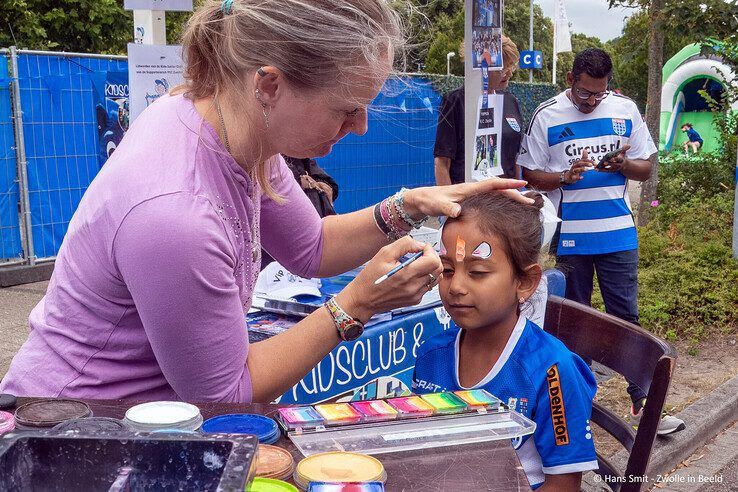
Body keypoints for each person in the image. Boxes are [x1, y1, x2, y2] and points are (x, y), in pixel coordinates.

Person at [0, 0, 529, 404]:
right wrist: (356, 305)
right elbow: (224, 393)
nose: (360, 127)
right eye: (347, 109)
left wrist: (410, 205)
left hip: (132, 419)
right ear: (270, 85)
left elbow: (311, 246)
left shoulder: (235, 125)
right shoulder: (175, 213)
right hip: (75, 428)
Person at [518, 48, 685, 435]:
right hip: (571, 236)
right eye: (584, 94)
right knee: (574, 322)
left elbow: (645, 168)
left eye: (599, 93)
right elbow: (529, 173)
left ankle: (645, 408)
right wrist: (563, 177)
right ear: (571, 81)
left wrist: (622, 165)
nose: (591, 101)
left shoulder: (625, 110)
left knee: (627, 319)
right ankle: (577, 412)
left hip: (618, 235)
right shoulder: (547, 115)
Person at [412, 191, 598, 491]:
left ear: (524, 282)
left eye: (477, 272)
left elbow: (563, 484)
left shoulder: (553, 371)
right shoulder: (431, 355)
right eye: (448, 270)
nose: (456, 286)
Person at [434, 36, 524, 185]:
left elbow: (513, 157)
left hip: (505, 200)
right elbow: (442, 162)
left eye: (511, 67)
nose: (509, 74)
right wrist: (450, 204)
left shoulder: (510, 101)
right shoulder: (456, 102)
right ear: (481, 66)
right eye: (502, 69)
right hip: (469, 200)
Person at [261, 156, 338, 269]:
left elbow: (316, 172)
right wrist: (299, 180)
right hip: (277, 249)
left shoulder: (299, 154)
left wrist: (322, 183)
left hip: (312, 239)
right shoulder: (268, 160)